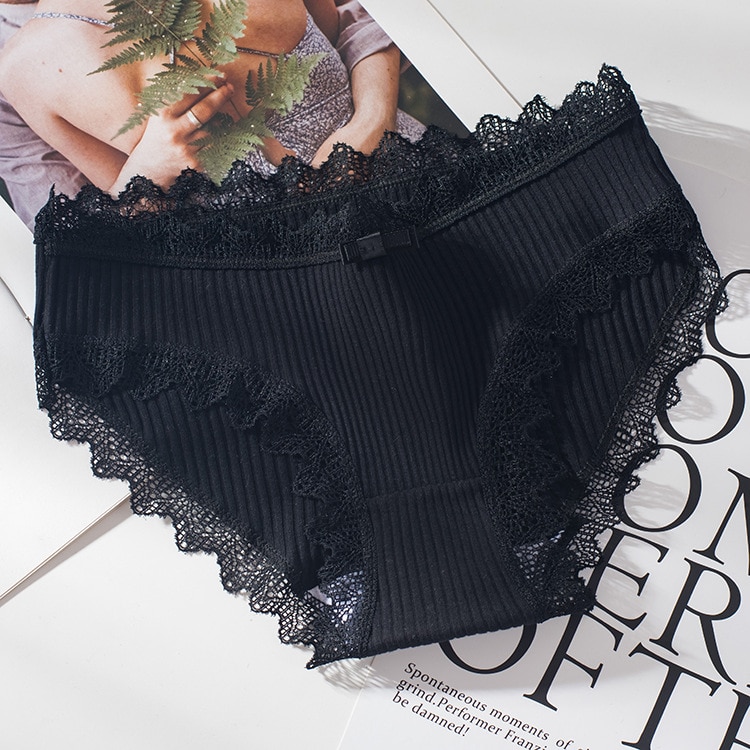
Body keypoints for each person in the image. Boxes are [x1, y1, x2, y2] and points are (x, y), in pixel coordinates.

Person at [0, 0, 422, 201]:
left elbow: (353, 20)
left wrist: (372, 119)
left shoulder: (24, 66)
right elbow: (104, 250)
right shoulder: (22, 71)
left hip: (419, 169)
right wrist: (144, 174)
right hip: (306, 283)